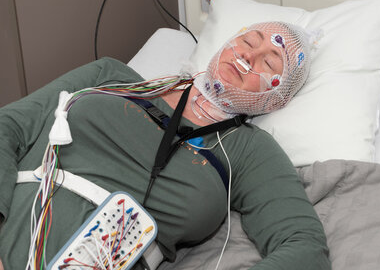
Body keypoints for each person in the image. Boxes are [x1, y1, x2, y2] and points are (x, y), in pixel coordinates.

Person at [0, 22, 330, 269]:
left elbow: (305, 247)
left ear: (277, 101)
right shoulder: (111, 76)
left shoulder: (250, 151)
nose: (249, 55)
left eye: (269, 64)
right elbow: (8, 127)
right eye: (247, 41)